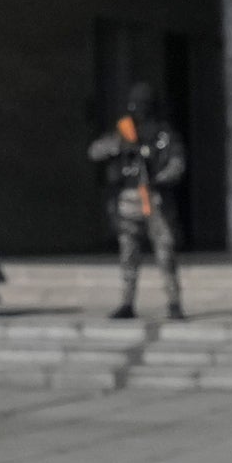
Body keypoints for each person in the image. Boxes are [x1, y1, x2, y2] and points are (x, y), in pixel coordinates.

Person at [89, 84, 186, 322]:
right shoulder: (123, 131)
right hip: (127, 198)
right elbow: (95, 151)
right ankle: (127, 302)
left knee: (165, 252)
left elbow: (177, 164)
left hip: (153, 197)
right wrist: (119, 146)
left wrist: (159, 178)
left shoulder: (163, 135)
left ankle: (174, 302)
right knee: (128, 253)